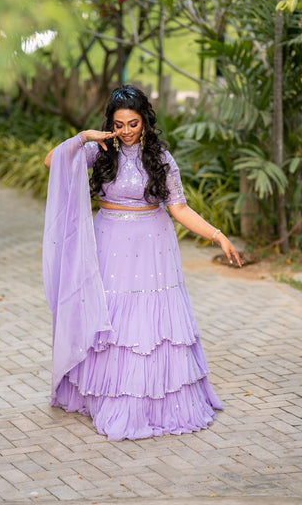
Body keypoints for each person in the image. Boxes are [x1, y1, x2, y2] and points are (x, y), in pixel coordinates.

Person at [43, 85, 242, 441]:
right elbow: (51, 162)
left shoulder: (161, 158)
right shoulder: (99, 150)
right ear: (111, 124)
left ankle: (150, 401)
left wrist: (217, 235)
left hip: (152, 245)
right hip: (108, 243)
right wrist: (82, 137)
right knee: (110, 318)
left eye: (133, 123)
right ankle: (103, 393)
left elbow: (179, 208)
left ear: (145, 121)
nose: (126, 131)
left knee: (147, 325)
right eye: (119, 124)